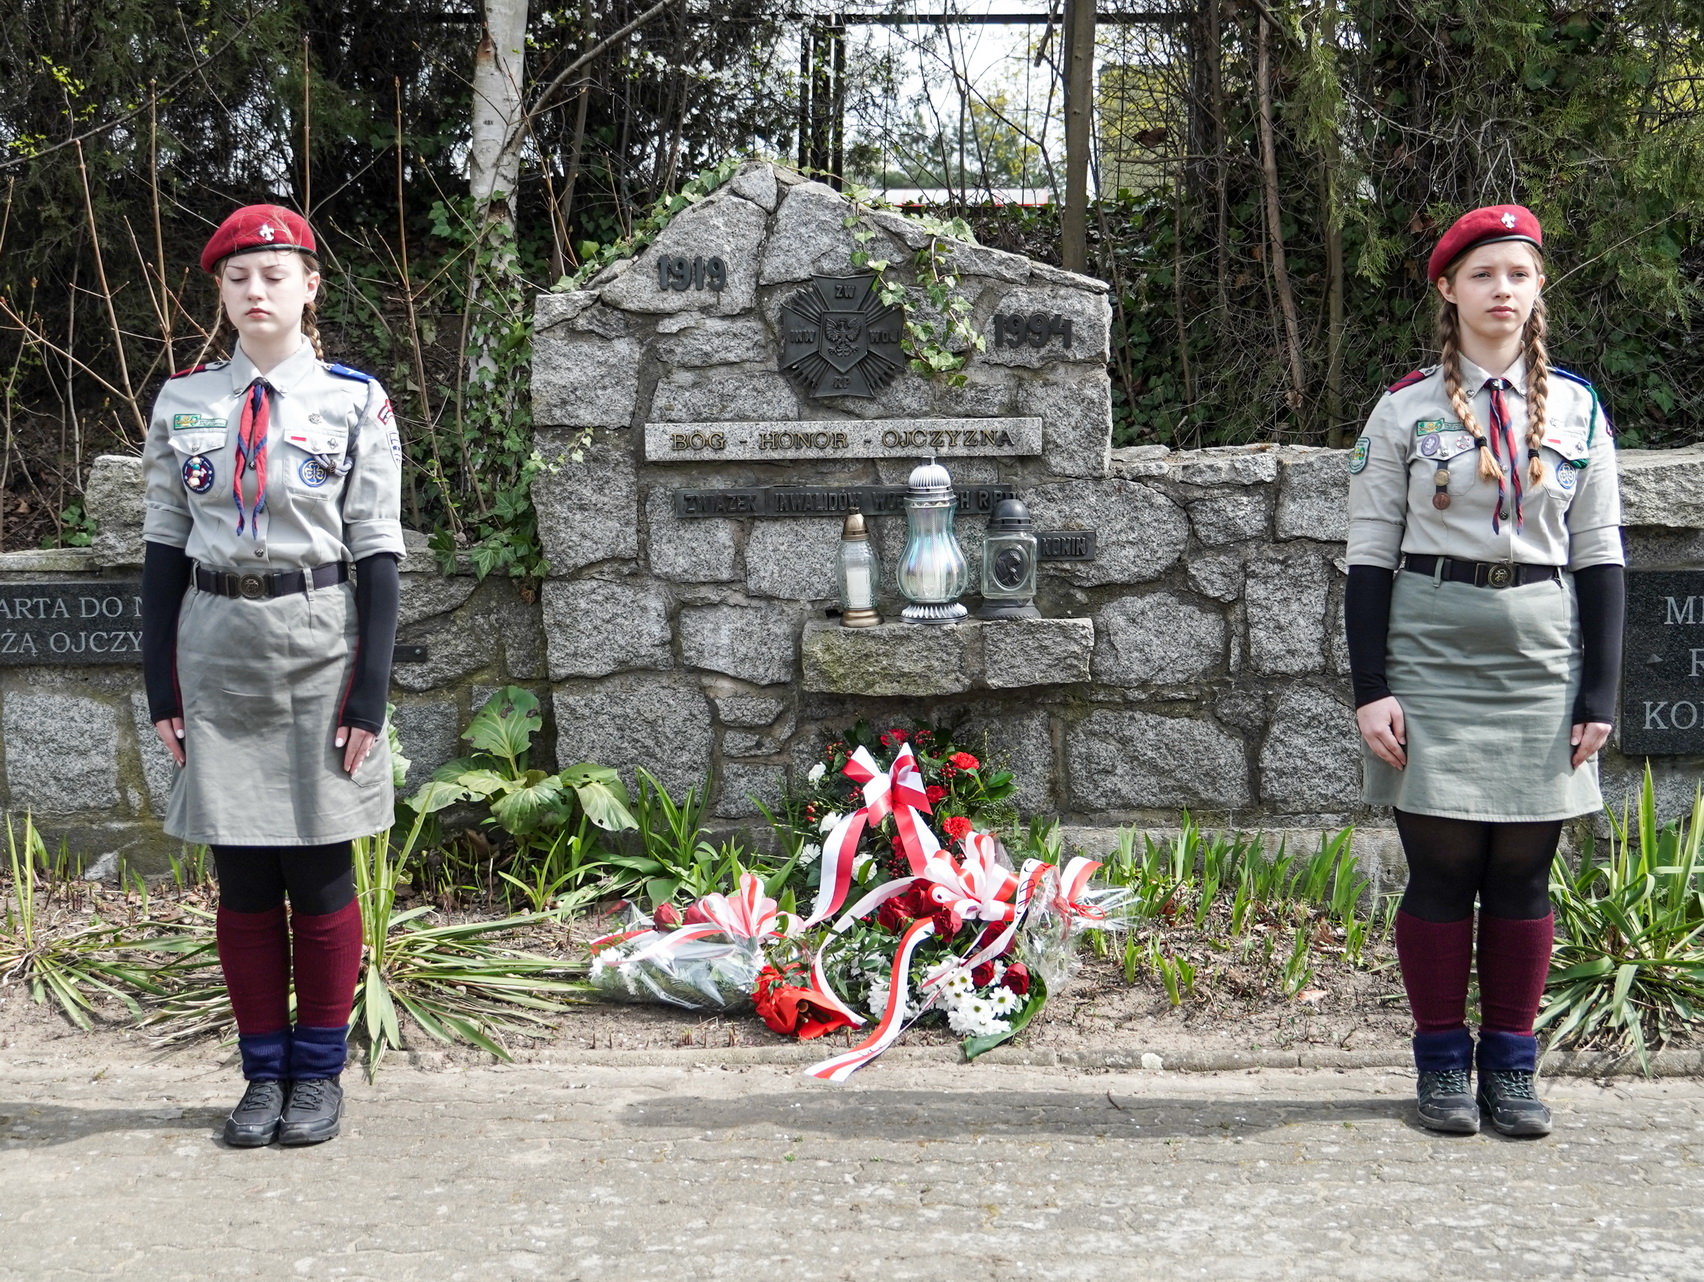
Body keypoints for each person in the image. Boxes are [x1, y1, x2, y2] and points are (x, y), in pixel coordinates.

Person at [1345, 205, 1623, 1138]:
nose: (1503, 289)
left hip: (1540, 653)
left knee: (1524, 873)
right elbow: (1369, 558)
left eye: (1519, 273)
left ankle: (1510, 1067)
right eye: (1483, 274)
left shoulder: (1578, 408)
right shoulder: (1404, 407)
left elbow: (1601, 555)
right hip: (1430, 647)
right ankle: (1439, 1066)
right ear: (1449, 289)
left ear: (1538, 289)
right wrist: (1371, 689)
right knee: (1442, 867)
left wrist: (1599, 692)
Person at [140, 204, 405, 1147]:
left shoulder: (353, 401)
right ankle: (262, 1076)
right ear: (219, 292)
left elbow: (378, 553)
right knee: (242, 879)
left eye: (275, 275)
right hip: (217, 648)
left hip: (319, 643)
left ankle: (318, 1074)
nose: (257, 291)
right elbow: (163, 549)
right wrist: (162, 688)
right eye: (238, 277)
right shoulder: (183, 403)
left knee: (322, 871)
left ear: (310, 287)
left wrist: (368, 692)